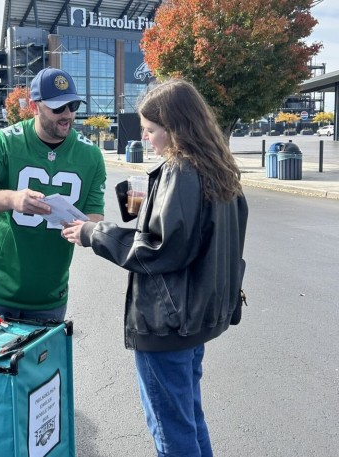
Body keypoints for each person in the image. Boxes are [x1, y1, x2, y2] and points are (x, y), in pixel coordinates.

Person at [62, 79, 248, 456]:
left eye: (150, 130)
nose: (146, 139)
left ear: (175, 127)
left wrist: (92, 232)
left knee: (170, 430)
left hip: (168, 319)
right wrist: (146, 209)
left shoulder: (181, 170)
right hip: (197, 315)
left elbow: (159, 249)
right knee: (189, 419)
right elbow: (203, 237)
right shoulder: (218, 167)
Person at [0, 67, 106, 328]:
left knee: (41, 370)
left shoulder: (91, 155)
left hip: (49, 294)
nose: (67, 114)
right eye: (58, 108)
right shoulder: (3, 142)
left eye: (73, 105)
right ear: (35, 106)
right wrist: (12, 200)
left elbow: (94, 215)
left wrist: (83, 230)